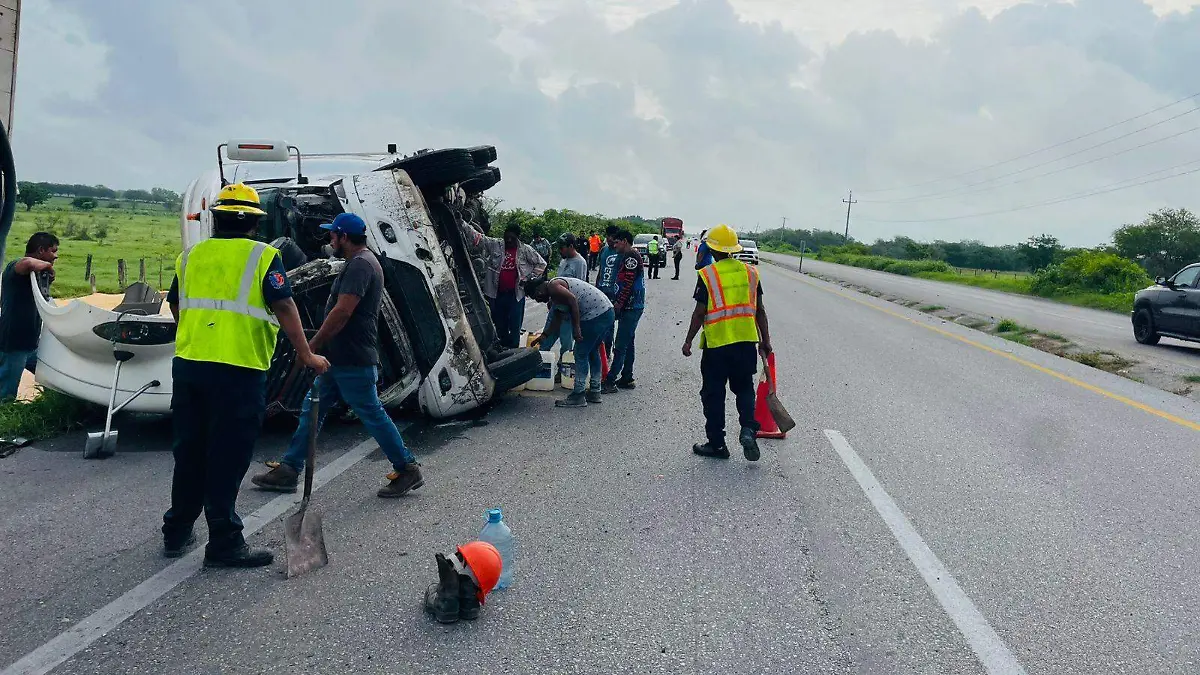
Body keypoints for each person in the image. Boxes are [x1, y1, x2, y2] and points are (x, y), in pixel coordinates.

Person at [162, 183, 330, 568]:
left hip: (189, 367)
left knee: (189, 451)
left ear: (216, 220)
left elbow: (176, 304)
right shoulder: (263, 256)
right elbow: (284, 304)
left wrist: (201, 335)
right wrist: (306, 354)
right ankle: (224, 542)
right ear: (255, 223)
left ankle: (177, 530)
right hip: (238, 371)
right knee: (227, 454)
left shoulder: (190, 256)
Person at [252, 213, 425, 499]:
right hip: (340, 359)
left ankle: (407, 467)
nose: (329, 239)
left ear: (344, 237)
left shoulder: (360, 265)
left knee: (371, 413)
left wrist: (312, 345)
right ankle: (290, 469)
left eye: (332, 234)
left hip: (352, 359)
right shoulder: (360, 262)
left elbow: (343, 311)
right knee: (313, 409)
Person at [681, 224, 773, 463]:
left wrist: (688, 340)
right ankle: (748, 429)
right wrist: (765, 342)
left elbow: (699, 312)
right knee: (744, 389)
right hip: (745, 343)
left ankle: (717, 444)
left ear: (711, 247)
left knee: (714, 394)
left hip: (717, 345)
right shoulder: (751, 273)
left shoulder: (708, 274)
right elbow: (760, 311)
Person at [526, 276, 614, 408]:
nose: (538, 300)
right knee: (592, 352)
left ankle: (578, 394)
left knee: (580, 353)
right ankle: (595, 391)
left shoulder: (553, 287)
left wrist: (577, 328)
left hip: (595, 315)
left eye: (535, 297)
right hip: (606, 312)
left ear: (538, 290)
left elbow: (573, 300)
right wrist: (544, 335)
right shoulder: (555, 295)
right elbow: (557, 318)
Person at [461, 221, 546, 348]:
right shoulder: (496, 245)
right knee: (500, 325)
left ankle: (514, 351)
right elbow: (478, 238)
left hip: (516, 295)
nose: (509, 241)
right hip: (497, 294)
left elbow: (541, 264)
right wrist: (462, 223)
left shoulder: (525, 250)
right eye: (507, 238)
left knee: (515, 326)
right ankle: (502, 350)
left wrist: (529, 278)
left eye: (512, 238)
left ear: (517, 238)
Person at [0, 232, 58, 401]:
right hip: (14, 343)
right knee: (6, 394)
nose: (55, 256)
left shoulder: (36, 275)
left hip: (31, 343)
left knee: (53, 378)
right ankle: (6, 424)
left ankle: (52, 408)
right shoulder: (15, 268)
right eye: (52, 251)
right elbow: (27, 262)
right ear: (41, 250)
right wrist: (47, 266)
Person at [601, 230, 645, 393]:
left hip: (631, 307)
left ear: (625, 241)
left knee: (620, 345)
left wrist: (619, 303)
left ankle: (610, 381)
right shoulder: (627, 256)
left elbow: (628, 284)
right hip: (630, 306)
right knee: (628, 342)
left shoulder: (631, 257)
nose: (614, 245)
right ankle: (627, 377)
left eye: (617, 242)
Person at [538, 233, 588, 359]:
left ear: (571, 246)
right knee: (545, 340)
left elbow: (578, 289)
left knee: (566, 347)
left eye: (562, 247)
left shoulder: (580, 263)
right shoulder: (563, 260)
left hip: (568, 311)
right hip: (556, 307)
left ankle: (563, 374)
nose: (560, 250)